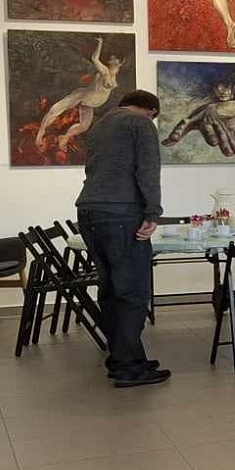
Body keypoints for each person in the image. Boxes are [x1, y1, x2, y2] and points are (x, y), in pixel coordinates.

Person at [74, 89, 168, 387]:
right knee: (133, 291)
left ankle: (124, 357)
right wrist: (152, 212)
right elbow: (148, 169)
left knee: (111, 289)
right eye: (153, 117)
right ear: (150, 110)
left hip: (89, 212)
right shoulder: (139, 123)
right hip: (121, 214)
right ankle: (128, 367)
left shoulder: (99, 125)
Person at [36, 37, 123, 156]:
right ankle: (40, 133)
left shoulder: (113, 76)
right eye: (111, 58)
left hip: (90, 103)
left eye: (114, 58)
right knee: (57, 110)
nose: (111, 59)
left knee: (84, 126)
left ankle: (64, 137)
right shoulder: (105, 71)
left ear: (120, 62)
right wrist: (100, 44)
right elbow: (94, 58)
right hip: (83, 96)